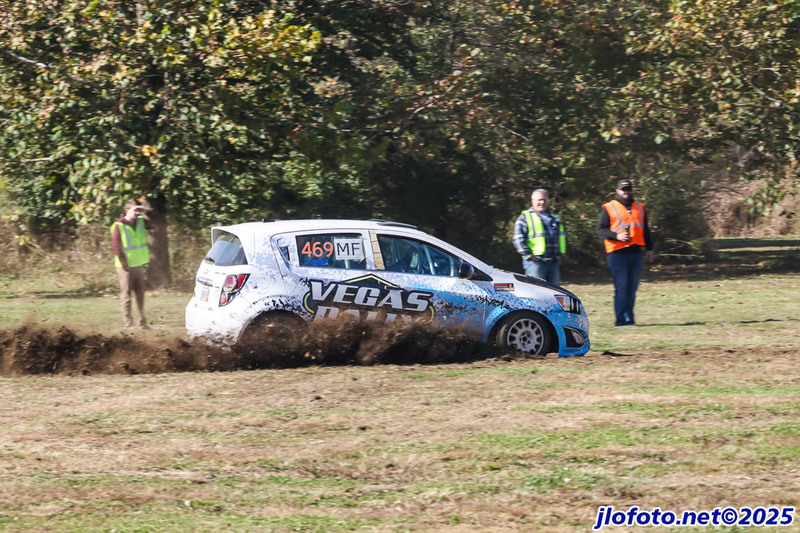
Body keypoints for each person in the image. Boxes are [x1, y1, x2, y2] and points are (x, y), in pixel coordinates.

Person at [596, 180, 655, 326]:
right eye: (623, 190)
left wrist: (650, 249)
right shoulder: (609, 208)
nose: (626, 192)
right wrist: (617, 236)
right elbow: (600, 230)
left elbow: (645, 230)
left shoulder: (639, 207)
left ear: (632, 191)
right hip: (617, 254)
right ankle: (621, 320)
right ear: (617, 191)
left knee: (632, 288)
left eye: (628, 189)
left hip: (636, 254)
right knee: (621, 287)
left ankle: (630, 319)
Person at [111, 199, 152, 329]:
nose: (137, 213)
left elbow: (154, 224)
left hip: (138, 264)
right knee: (126, 295)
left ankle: (141, 323)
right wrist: (124, 263)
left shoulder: (140, 221)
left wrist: (146, 212)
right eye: (135, 210)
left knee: (140, 294)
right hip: (125, 267)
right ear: (127, 210)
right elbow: (116, 247)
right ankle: (129, 324)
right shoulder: (118, 225)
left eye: (139, 210)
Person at [513, 188, 566, 285]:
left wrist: (560, 255)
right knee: (536, 292)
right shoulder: (525, 217)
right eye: (539, 200)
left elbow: (560, 237)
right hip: (536, 263)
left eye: (544, 200)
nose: (542, 202)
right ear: (532, 201)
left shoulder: (554, 217)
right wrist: (529, 255)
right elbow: (517, 240)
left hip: (553, 262)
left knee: (555, 294)